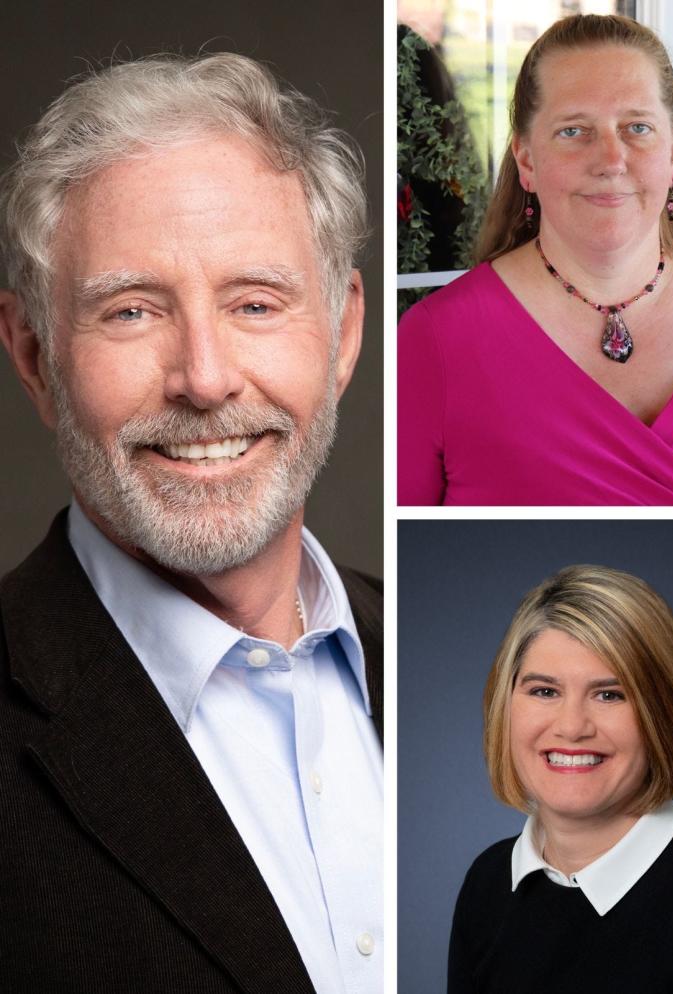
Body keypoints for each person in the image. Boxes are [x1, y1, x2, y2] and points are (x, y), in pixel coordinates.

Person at [0, 54, 381, 994]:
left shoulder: (463, 657)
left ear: (340, 336)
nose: (204, 378)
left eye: (255, 302)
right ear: (36, 357)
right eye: (131, 312)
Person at [398, 14, 673, 506]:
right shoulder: (437, 340)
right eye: (574, 131)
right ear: (527, 160)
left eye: (637, 127)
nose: (611, 160)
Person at [449, 565, 673, 992]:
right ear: (503, 705)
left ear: (663, 713)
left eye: (609, 695)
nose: (572, 726)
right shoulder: (487, 882)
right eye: (545, 691)